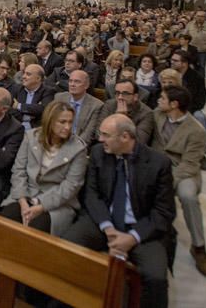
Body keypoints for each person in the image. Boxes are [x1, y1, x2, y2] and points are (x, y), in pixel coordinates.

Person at [60, 114, 176, 308]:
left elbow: (163, 212)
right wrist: (107, 227)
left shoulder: (158, 163)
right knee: (64, 250)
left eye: (106, 135)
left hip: (142, 228)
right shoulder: (98, 153)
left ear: (124, 137)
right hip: (103, 221)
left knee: (156, 277)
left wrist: (132, 237)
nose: (100, 139)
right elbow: (92, 195)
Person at [0, 100, 87, 236]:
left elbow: (71, 187)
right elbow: (19, 171)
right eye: (62, 122)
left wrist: (41, 206)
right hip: (27, 194)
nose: (68, 127)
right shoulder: (31, 137)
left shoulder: (78, 148)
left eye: (70, 122)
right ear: (50, 121)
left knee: (35, 230)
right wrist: (23, 202)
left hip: (56, 204)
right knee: (5, 220)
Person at [152, 85, 206, 278]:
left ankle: (199, 247)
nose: (158, 101)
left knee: (188, 196)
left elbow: (190, 164)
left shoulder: (197, 131)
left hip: (182, 171)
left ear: (174, 104)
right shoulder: (158, 115)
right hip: (158, 164)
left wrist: (167, 183)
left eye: (162, 98)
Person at [53, 70, 103, 146]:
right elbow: (52, 123)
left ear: (86, 85)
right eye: (70, 81)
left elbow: (88, 134)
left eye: (77, 82)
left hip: (79, 146)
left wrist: (73, 148)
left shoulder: (96, 105)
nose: (72, 84)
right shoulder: (59, 98)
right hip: (57, 142)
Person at [99, 78, 156, 144]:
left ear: (135, 97)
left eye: (125, 93)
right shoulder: (109, 105)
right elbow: (98, 133)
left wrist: (123, 120)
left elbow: (139, 141)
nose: (120, 97)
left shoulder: (147, 113)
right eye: (117, 93)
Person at [10, 64, 53, 131]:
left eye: (28, 74)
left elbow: (43, 109)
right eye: (24, 73)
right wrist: (28, 115)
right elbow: (9, 110)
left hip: (36, 130)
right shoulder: (17, 89)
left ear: (38, 78)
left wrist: (19, 106)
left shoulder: (47, 91)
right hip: (16, 128)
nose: (23, 76)